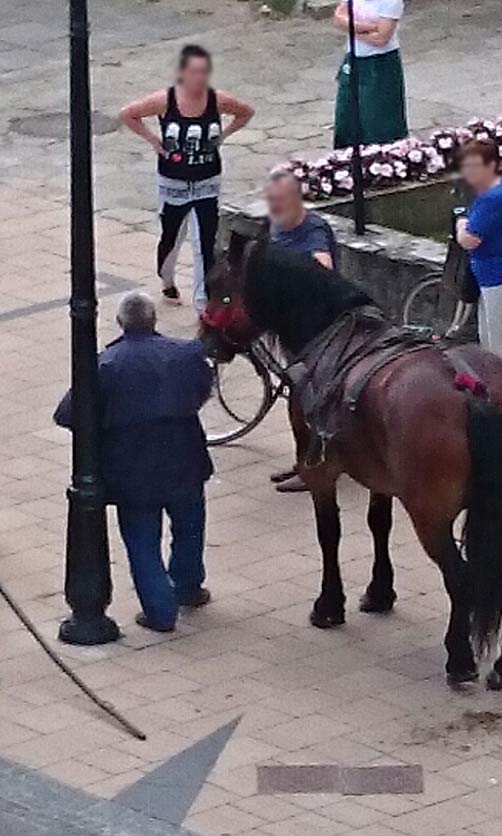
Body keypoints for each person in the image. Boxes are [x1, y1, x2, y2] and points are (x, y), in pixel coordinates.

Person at [54, 292, 213, 632]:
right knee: (189, 526)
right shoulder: (186, 354)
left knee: (143, 542)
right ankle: (187, 586)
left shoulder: (106, 365)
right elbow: (202, 390)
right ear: (153, 320)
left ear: (120, 324)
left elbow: (69, 413)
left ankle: (160, 611)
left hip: (133, 470)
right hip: (185, 460)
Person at [120, 45, 254, 312]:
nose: (199, 78)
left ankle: (203, 303)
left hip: (207, 181)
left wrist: (222, 136)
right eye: (194, 72)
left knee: (205, 242)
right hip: (174, 183)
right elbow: (128, 114)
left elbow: (245, 112)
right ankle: (166, 278)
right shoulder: (165, 100)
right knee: (171, 237)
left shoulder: (217, 100)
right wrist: (154, 141)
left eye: (204, 72)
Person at [267, 170, 338, 492]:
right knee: (296, 398)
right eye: (271, 200)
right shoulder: (277, 225)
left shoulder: (313, 230)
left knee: (307, 400)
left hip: (316, 331)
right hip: (291, 327)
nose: (274, 207)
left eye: (280, 201)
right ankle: (303, 461)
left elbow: (324, 265)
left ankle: (315, 466)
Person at [456, 139, 502, 369]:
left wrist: (461, 223)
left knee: (501, 344)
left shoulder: (492, 198)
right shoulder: (501, 188)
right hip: (495, 276)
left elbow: (469, 240)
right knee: (489, 338)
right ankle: (497, 387)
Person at [333, 0, 408, 149]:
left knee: (377, 116)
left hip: (380, 63)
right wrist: (369, 28)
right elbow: (338, 19)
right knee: (347, 113)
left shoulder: (391, 2)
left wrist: (351, 28)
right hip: (354, 57)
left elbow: (381, 39)